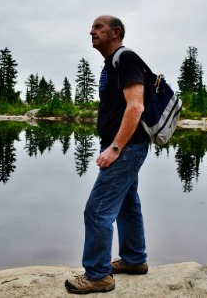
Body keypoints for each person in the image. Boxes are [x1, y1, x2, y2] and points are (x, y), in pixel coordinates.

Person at [65, 15, 150, 294]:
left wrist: (115, 148)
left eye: (98, 27)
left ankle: (98, 275)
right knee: (127, 205)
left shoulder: (125, 58)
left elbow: (135, 107)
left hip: (125, 148)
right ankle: (134, 260)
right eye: (91, 27)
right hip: (126, 147)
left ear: (116, 32)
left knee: (98, 209)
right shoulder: (112, 63)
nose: (91, 31)